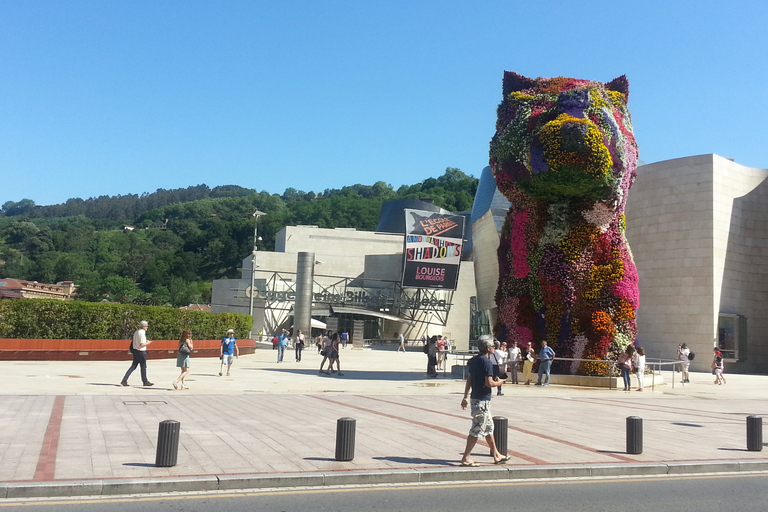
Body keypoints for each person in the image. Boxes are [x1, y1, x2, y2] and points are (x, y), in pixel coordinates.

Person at [459, 335, 511, 467]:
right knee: (476, 429)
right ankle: (465, 458)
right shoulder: (487, 362)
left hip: (476, 398)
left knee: (488, 428)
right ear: (488, 348)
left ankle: (496, 455)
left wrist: (465, 396)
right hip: (482, 400)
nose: (494, 347)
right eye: (493, 346)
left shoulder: (475, 360)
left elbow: (469, 379)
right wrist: (500, 382)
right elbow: (489, 383)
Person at [121, 320, 154, 386]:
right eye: (146, 326)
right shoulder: (142, 333)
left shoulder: (136, 332)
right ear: (144, 326)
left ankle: (124, 380)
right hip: (141, 352)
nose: (147, 327)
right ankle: (145, 381)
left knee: (133, 366)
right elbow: (141, 344)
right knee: (143, 367)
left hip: (135, 351)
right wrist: (148, 343)